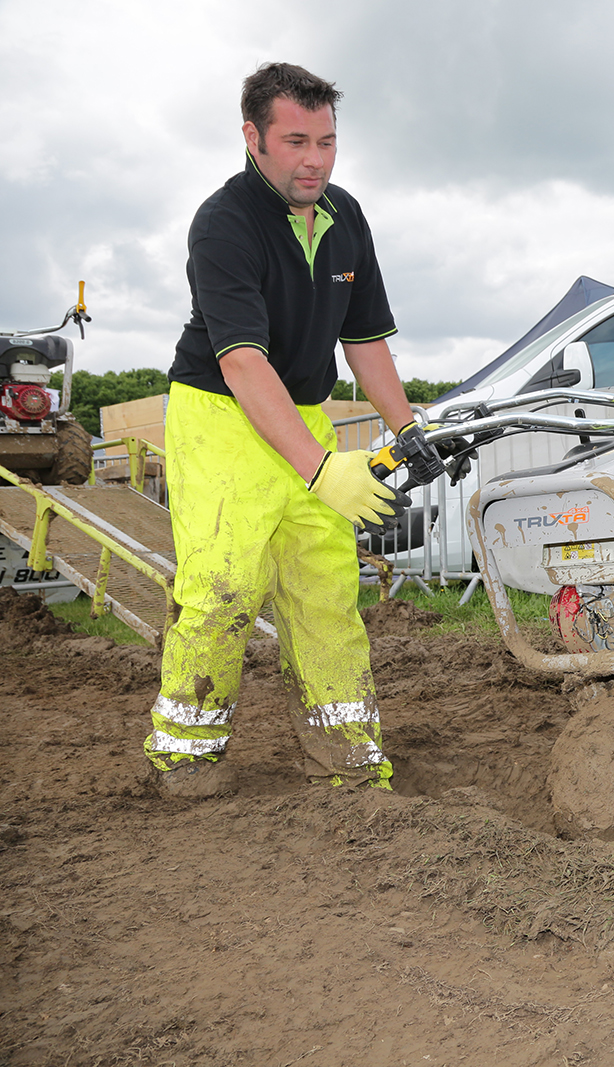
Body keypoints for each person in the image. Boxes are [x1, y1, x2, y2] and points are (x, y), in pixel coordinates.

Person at [143, 62, 441, 797]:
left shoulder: (346, 217)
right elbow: (242, 362)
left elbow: (364, 340)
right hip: (219, 415)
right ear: (254, 138)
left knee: (326, 587)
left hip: (303, 414)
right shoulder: (224, 223)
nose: (315, 161)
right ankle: (186, 755)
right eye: (296, 142)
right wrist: (321, 469)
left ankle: (347, 755)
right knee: (224, 585)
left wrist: (408, 429)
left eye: (327, 143)